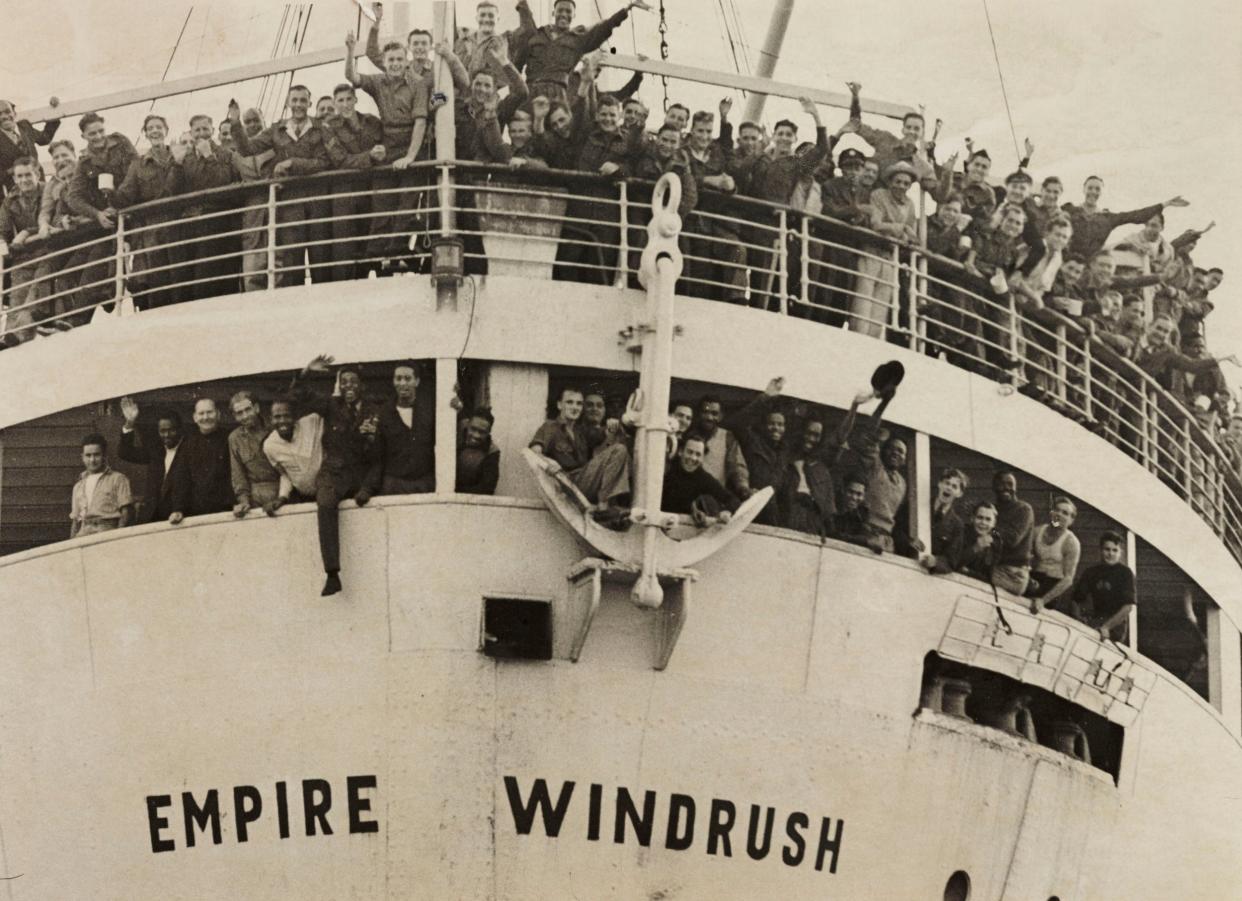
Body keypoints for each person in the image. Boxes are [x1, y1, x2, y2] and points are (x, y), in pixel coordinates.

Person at [276, 355, 380, 596]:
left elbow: (378, 455)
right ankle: (332, 573)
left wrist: (371, 439)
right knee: (325, 502)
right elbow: (297, 397)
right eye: (344, 382)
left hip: (361, 473)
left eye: (353, 382)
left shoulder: (374, 410)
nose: (349, 387)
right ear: (338, 386)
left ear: (362, 386)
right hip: (333, 471)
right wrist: (305, 373)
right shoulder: (331, 405)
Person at [229, 87, 331, 287]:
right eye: (294, 100)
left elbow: (324, 161)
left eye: (303, 100)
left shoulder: (321, 128)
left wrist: (292, 163)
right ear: (287, 103)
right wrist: (235, 123)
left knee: (321, 260)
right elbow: (247, 149)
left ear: (310, 104)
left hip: (317, 202)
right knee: (291, 264)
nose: (298, 105)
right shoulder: (277, 130)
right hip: (290, 205)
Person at [346, 27, 430, 265]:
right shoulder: (378, 82)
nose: (395, 64)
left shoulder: (418, 84)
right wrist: (351, 50)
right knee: (382, 199)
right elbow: (352, 77)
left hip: (411, 142)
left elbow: (420, 122)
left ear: (406, 61)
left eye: (399, 59)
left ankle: (396, 252)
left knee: (407, 201)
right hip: (388, 143)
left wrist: (411, 156)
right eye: (391, 60)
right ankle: (376, 253)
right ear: (384, 62)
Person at [66, 112, 139, 312]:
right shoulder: (84, 163)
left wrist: (119, 197)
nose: (98, 137)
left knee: (133, 262)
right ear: (83, 136)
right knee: (92, 267)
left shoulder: (121, 143)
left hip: (131, 210)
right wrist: (97, 214)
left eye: (100, 131)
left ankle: (112, 293)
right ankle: (87, 311)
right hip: (109, 223)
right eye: (92, 134)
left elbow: (136, 170)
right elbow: (73, 197)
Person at [530, 386, 631, 521]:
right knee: (618, 450)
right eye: (569, 402)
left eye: (579, 403)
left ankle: (605, 506)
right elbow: (534, 451)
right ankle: (603, 507)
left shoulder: (581, 431)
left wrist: (612, 424)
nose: (575, 407)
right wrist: (549, 462)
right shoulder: (550, 427)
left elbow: (604, 434)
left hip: (581, 484)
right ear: (560, 405)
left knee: (619, 449)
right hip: (565, 484)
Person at [114, 114, 184, 310]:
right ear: (145, 133)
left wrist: (178, 162)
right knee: (158, 282)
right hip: (153, 232)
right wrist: (109, 193)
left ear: (166, 130)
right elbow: (125, 195)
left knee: (180, 278)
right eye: (150, 128)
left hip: (179, 225)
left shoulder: (179, 154)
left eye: (158, 127)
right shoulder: (138, 165)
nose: (155, 131)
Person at [522, 0, 652, 104]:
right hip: (532, 90)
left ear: (574, 15)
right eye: (560, 10)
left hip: (558, 95)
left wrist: (627, 8)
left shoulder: (578, 39)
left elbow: (603, 28)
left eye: (568, 11)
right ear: (553, 13)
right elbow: (525, 16)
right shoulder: (537, 35)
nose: (563, 14)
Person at [322, 82, 386, 282]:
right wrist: (370, 157)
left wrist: (382, 152)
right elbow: (340, 160)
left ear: (356, 99)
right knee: (345, 248)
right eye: (340, 101)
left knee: (369, 244)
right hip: (345, 195)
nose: (346, 104)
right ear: (335, 103)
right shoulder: (329, 127)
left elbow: (386, 144)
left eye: (349, 99)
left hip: (370, 192)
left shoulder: (372, 122)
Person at [851, 160, 918, 337]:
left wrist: (904, 233)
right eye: (898, 181)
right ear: (890, 182)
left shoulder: (910, 205)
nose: (901, 186)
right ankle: (857, 336)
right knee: (864, 297)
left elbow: (912, 234)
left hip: (891, 255)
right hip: (872, 250)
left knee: (882, 302)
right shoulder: (879, 195)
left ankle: (871, 340)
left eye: (906, 183)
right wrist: (900, 229)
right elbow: (876, 224)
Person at [179, 113, 241, 299]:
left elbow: (222, 181)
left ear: (212, 131)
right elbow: (173, 189)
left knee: (218, 278)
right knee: (195, 277)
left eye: (205, 128)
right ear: (191, 132)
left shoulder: (226, 154)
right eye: (197, 129)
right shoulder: (186, 158)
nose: (201, 133)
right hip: (192, 224)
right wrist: (175, 163)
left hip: (219, 221)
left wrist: (209, 156)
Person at [1061, 175, 1189, 259]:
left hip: (1091, 264)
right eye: (1090, 188)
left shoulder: (1107, 218)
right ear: (1084, 189)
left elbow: (1135, 216)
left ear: (1101, 192)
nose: (1093, 192)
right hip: (1066, 259)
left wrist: (1165, 204)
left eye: (1097, 189)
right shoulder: (1070, 210)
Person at [118, 398, 192, 525]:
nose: (167, 435)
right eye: (162, 431)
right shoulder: (156, 451)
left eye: (171, 430)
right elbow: (125, 453)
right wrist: (129, 423)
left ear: (180, 429)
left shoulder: (189, 451)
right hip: (150, 517)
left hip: (178, 518)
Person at [0, 157, 51, 342]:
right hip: (23, 258)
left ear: (37, 174)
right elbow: (3, 230)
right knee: (16, 300)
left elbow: (52, 221)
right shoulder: (10, 201)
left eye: (28, 175)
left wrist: (25, 232)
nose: (24, 180)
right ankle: (7, 340)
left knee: (32, 297)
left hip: (48, 252)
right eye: (19, 176)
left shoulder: (48, 191)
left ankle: (18, 337)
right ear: (14, 179)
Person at [367, 362, 437, 495]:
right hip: (393, 485)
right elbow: (378, 457)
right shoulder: (384, 414)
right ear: (393, 382)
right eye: (398, 378)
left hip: (424, 484)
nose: (403, 383)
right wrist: (368, 488)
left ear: (417, 381)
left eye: (407, 378)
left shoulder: (429, 411)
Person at [1070, 531, 1136, 642]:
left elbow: (1128, 607)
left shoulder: (1125, 573)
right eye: (1107, 549)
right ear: (1100, 550)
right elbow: (1076, 599)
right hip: (1096, 620)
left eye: (1115, 550)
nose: (1110, 554)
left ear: (1121, 552)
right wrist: (1078, 618)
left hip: (1116, 625)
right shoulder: (1091, 572)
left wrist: (1106, 627)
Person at [661, 433, 738, 523]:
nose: (693, 458)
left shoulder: (702, 477)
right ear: (680, 452)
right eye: (690, 452)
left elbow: (732, 500)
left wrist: (727, 512)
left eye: (698, 454)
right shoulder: (667, 468)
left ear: (702, 458)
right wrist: (693, 508)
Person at [456, 0, 538, 81]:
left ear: (498, 18)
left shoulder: (506, 40)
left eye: (491, 16)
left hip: (497, 92)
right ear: (477, 18)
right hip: (468, 91)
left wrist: (522, 3)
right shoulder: (464, 41)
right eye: (482, 15)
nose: (486, 19)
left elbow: (528, 31)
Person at [69, 434, 134, 538]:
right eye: (88, 455)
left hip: (107, 532)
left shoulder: (118, 479)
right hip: (83, 533)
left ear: (104, 456)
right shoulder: (78, 486)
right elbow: (75, 520)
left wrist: (119, 537)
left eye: (96, 455)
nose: (92, 460)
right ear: (82, 457)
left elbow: (126, 513)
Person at [228, 390, 281, 516]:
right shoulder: (235, 438)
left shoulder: (274, 428)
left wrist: (283, 497)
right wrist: (244, 501)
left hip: (282, 493)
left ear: (256, 408)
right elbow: (238, 475)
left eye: (248, 409)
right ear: (235, 417)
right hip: (255, 498)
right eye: (239, 413)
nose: (245, 416)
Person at [1025, 497, 1082, 612]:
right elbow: (1024, 556)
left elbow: (1068, 579)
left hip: (1053, 585)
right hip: (1034, 578)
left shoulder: (1071, 542)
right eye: (1057, 510)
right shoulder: (1037, 531)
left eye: (1065, 513)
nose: (1059, 515)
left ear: (1071, 520)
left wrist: (1043, 600)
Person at [691, 393, 749, 500]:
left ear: (721, 416)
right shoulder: (689, 435)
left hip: (715, 498)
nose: (709, 417)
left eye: (714, 413)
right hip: (690, 496)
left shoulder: (727, 437)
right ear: (698, 414)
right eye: (705, 412)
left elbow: (736, 467)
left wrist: (743, 488)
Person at [0, 98, 59, 193]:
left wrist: (55, 112)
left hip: (39, 182)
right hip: (15, 190)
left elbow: (44, 138)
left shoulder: (24, 126)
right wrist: (12, 170)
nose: (4, 117)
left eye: (7, 112)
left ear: (14, 113)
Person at [916, 468, 968, 573]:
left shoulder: (957, 525)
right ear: (939, 484)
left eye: (954, 486)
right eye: (947, 483)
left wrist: (936, 561)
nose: (949, 488)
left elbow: (951, 560)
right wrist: (909, 542)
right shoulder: (917, 505)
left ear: (959, 493)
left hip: (929, 576)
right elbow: (898, 530)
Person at [991, 470, 1034, 595]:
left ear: (1016, 487)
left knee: (969, 575)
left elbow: (1012, 539)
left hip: (1013, 573)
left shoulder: (1024, 509)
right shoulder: (993, 509)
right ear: (994, 488)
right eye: (1001, 484)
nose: (1006, 488)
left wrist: (990, 527)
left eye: (1010, 484)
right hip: (996, 568)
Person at [457, 406, 500, 494]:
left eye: (482, 432)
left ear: (488, 432)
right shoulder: (456, 435)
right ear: (467, 425)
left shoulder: (492, 452)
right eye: (473, 429)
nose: (476, 435)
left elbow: (487, 488)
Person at [954, 501, 1000, 583]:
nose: (983, 522)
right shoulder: (961, 533)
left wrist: (968, 572)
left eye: (988, 519)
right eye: (980, 517)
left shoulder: (995, 544)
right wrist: (975, 548)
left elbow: (990, 577)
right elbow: (952, 562)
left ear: (994, 524)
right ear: (972, 518)